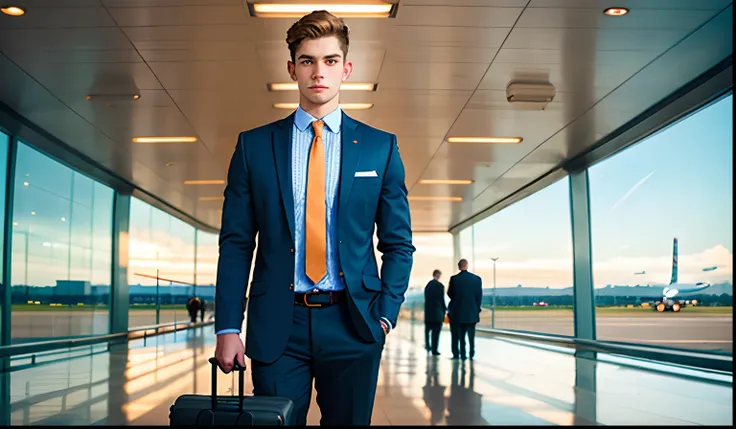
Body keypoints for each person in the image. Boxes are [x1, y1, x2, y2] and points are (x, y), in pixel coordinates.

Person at [213, 10, 415, 426]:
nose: (318, 72)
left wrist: (385, 316)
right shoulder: (253, 147)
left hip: (354, 325)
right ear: (292, 69)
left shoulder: (381, 148)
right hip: (277, 327)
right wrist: (227, 327)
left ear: (347, 68)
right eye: (307, 61)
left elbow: (398, 244)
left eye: (329, 61)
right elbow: (236, 243)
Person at [447, 259, 482, 360]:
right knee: (471, 335)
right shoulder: (477, 279)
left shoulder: (454, 279)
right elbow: (479, 296)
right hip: (472, 312)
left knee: (460, 335)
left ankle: (462, 354)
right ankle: (471, 352)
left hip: (458, 312)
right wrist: (476, 308)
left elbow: (450, 294)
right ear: (467, 265)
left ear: (459, 267)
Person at [423, 269, 446, 356]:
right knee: (436, 333)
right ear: (438, 275)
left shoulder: (428, 286)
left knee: (427, 331)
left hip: (428, 313)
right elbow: (442, 300)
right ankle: (434, 349)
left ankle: (428, 346)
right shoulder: (440, 286)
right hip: (437, 314)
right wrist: (443, 312)